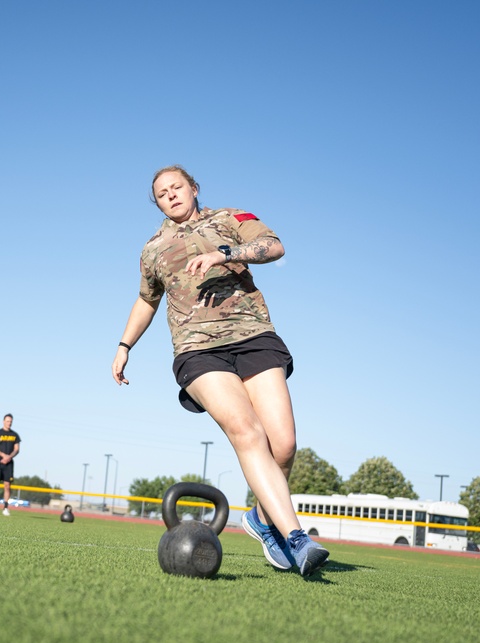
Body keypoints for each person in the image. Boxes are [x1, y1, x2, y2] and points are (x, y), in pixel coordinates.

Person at [110, 165, 329, 577]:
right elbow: (146, 301)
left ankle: (262, 520)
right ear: (156, 202)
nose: (171, 195)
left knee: (283, 445)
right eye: (161, 193)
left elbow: (274, 245)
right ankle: (296, 538)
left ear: (193, 188)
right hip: (198, 350)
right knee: (248, 432)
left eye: (177, 187)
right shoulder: (153, 248)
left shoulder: (230, 218)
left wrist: (224, 253)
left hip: (254, 336)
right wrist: (124, 346)